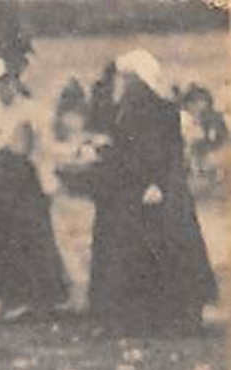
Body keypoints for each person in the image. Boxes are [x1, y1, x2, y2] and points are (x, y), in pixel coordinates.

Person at [87, 50, 217, 335]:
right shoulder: (124, 107)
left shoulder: (157, 109)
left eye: (129, 77)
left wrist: (155, 182)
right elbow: (127, 147)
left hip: (156, 187)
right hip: (134, 185)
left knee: (158, 243)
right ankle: (133, 313)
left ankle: (169, 313)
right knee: (124, 241)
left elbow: (162, 152)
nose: (124, 82)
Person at [0, 58, 68, 321]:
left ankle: (30, 298)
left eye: (6, 82)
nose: (2, 88)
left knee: (25, 235)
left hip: (23, 183)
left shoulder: (34, 111)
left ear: (16, 81)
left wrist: (49, 182)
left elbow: (44, 149)